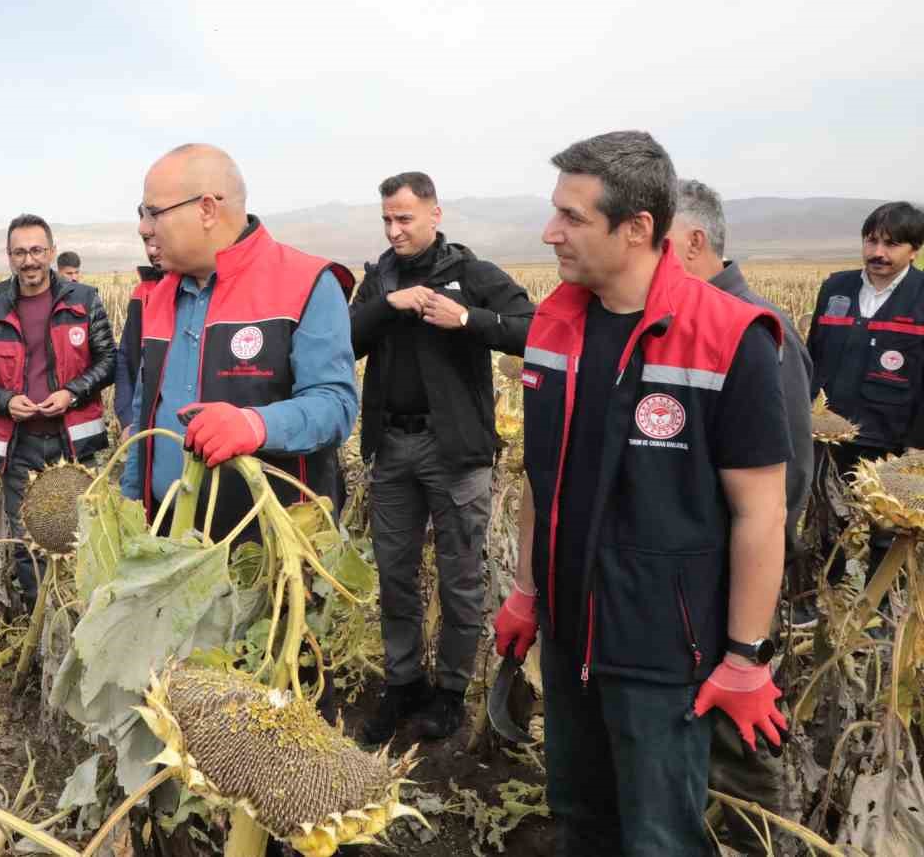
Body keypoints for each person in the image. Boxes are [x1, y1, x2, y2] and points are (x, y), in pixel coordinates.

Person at [494, 132, 790, 856]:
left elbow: (762, 510)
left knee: (660, 836)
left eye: (571, 217)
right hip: (569, 635)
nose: (548, 232)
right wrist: (529, 592)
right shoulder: (553, 326)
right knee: (579, 813)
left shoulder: (729, 337)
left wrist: (746, 658)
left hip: (665, 650)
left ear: (636, 230)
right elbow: (542, 476)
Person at [349, 171, 534, 743]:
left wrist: (467, 320)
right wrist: (388, 305)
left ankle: (450, 692)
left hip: (455, 452)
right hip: (394, 445)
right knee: (395, 574)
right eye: (387, 219)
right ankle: (404, 684)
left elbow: (534, 329)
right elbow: (344, 340)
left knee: (459, 577)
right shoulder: (377, 278)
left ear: (435, 215)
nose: (394, 229)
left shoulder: (471, 274)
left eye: (405, 218)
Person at [669, 177, 813, 854]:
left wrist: (744, 623)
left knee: (742, 747)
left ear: (695, 243)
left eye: (658, 243)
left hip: (734, 592)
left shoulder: (758, 335)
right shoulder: (680, 323)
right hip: (693, 590)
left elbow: (781, 492)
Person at [120, 144, 358, 545]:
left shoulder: (306, 283)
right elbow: (147, 410)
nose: (144, 228)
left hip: (264, 553)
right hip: (164, 542)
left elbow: (336, 406)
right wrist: (129, 511)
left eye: (153, 212)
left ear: (208, 209)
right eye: (141, 213)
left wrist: (254, 424)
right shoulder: (158, 295)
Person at [0, 214, 116, 603]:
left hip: (75, 442)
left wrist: (72, 393)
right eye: (20, 252)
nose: (29, 261)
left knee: (87, 532)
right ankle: (41, 620)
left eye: (36, 251)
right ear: (9, 256)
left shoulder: (83, 300)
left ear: (50, 251)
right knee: (27, 540)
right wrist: (5, 401)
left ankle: (82, 611)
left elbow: (109, 362)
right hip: (19, 445)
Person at [806, 201, 924, 579]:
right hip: (831, 435)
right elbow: (813, 358)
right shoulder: (835, 288)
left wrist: (918, 444)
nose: (878, 253)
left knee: (887, 530)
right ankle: (822, 596)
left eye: (891, 244)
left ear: (914, 250)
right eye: (871, 241)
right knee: (824, 519)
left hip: (891, 435)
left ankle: (882, 606)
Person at [113, 235, 164, 428]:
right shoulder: (142, 292)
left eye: (157, 238)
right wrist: (127, 419)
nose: (152, 250)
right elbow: (126, 358)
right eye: (146, 241)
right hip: (141, 426)